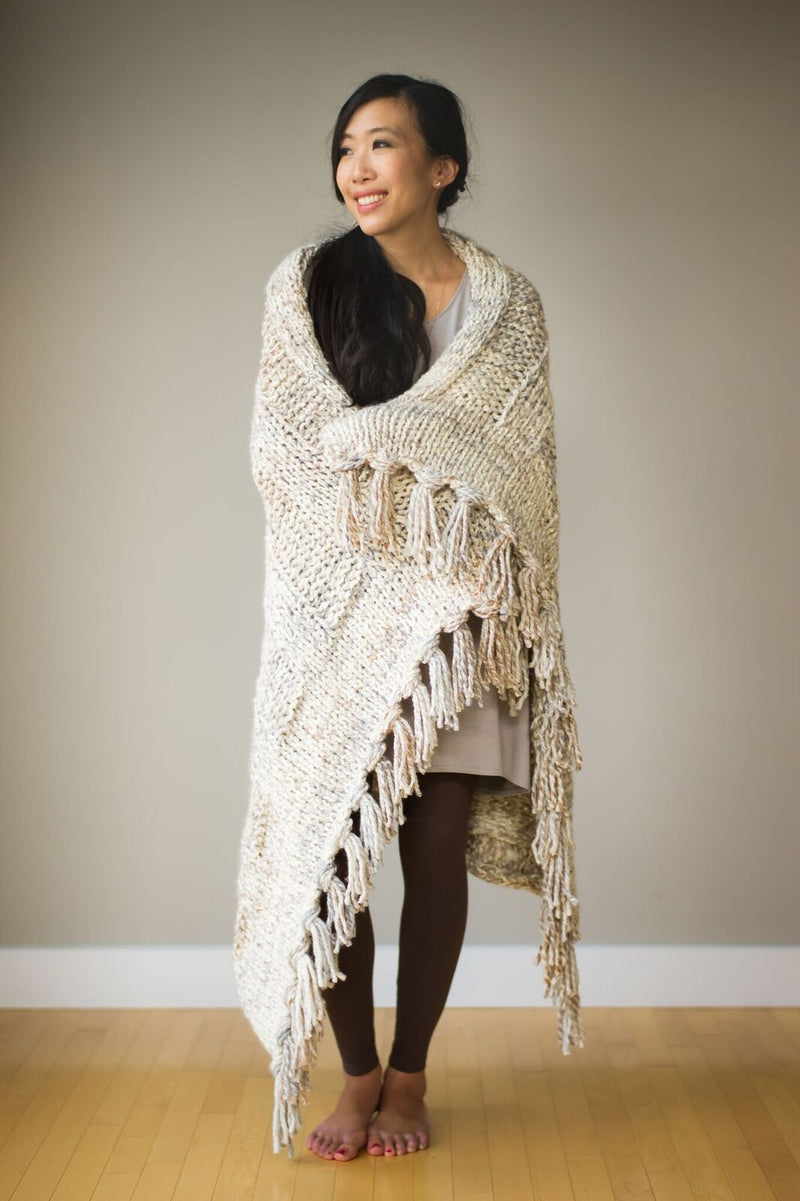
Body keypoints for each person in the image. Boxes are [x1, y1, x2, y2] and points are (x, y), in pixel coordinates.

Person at [299, 73, 532, 1163]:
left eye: (382, 144)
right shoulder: (310, 287)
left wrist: (468, 565)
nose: (357, 167)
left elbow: (517, 478)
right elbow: (286, 452)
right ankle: (355, 1073)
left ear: (441, 167)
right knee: (336, 854)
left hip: (457, 625)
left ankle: (410, 1073)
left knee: (433, 851)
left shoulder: (507, 309)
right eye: (346, 145)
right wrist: (407, 472)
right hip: (343, 620)